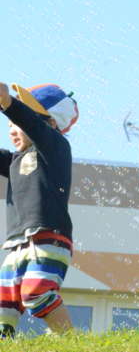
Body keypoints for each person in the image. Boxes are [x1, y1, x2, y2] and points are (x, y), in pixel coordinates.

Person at [0, 82, 79, 338]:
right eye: (10, 125)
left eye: (17, 123)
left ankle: (69, 341)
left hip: (48, 237)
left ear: (52, 124)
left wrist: (9, 103)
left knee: (37, 293)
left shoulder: (54, 148)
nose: (12, 129)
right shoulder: (15, 160)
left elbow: (31, 122)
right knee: (4, 307)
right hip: (15, 244)